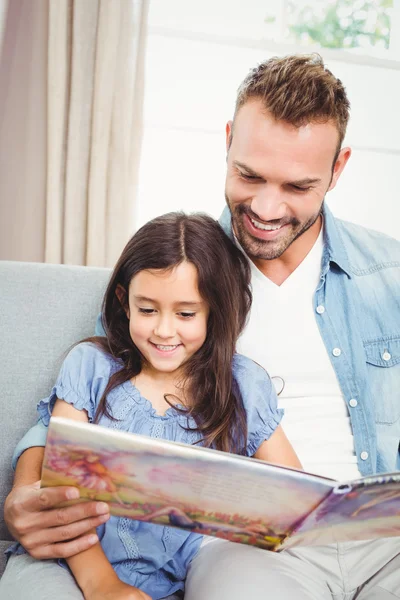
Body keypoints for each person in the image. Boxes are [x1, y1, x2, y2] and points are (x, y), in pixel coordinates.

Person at [3, 52, 400, 599]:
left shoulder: (390, 277)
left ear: (338, 169)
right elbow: (72, 420)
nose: (265, 206)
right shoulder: (171, 274)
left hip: (379, 534)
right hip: (241, 546)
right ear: (229, 140)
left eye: (297, 187)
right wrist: (26, 494)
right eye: (249, 174)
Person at [0, 212, 300, 600]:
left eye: (186, 314)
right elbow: (62, 492)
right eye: (147, 310)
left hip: (187, 571)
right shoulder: (89, 366)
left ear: (216, 309)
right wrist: (102, 584)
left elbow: (295, 496)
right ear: (125, 302)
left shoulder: (243, 384)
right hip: (71, 560)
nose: (163, 330)